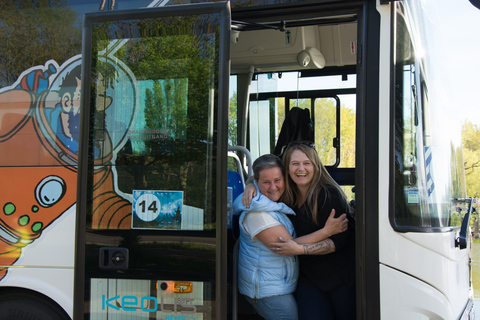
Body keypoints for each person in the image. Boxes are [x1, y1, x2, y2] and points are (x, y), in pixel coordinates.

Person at [242, 142, 356, 320]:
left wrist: (300, 250)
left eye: (306, 163)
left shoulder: (329, 195)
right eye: (294, 164)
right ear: (286, 168)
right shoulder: (286, 194)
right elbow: (265, 173)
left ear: (315, 165)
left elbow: (339, 242)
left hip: (338, 277)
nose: (300, 169)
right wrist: (251, 185)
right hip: (308, 277)